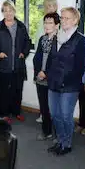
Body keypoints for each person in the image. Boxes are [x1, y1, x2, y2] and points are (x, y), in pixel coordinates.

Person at [46, 7, 85, 156]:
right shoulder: (57, 37)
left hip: (70, 86)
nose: (63, 21)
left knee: (65, 115)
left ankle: (67, 144)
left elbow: (80, 66)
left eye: (67, 18)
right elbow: (51, 59)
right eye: (62, 18)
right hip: (53, 83)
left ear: (75, 20)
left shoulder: (80, 39)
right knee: (55, 114)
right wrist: (49, 76)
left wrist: (65, 80)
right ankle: (60, 141)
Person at [0, 0, 31, 123]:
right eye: (5, 11)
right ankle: (4, 114)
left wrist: (24, 53)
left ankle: (16, 112)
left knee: (17, 90)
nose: (8, 13)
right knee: (4, 91)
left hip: (18, 65)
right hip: (3, 65)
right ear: (2, 12)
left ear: (14, 11)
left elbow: (28, 42)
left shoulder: (21, 26)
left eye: (10, 10)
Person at [33, 12, 60, 141]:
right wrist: (38, 72)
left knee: (55, 110)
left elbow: (57, 62)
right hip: (40, 78)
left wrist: (46, 73)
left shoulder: (60, 41)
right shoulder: (42, 39)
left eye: (50, 23)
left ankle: (58, 135)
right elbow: (36, 58)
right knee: (44, 108)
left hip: (52, 79)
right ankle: (46, 131)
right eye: (45, 22)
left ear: (56, 25)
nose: (47, 25)